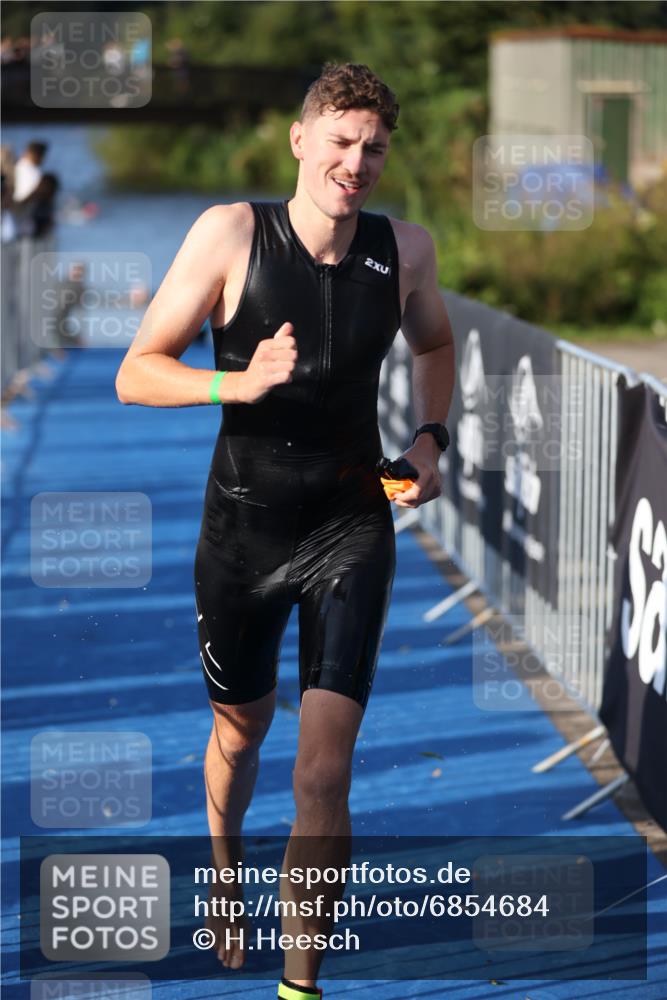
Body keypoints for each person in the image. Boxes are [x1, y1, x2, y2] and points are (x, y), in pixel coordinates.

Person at [115, 62, 455, 999]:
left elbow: (433, 343)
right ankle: (226, 869)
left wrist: (430, 440)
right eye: (340, 142)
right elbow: (137, 371)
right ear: (300, 140)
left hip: (351, 522)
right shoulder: (231, 233)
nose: (356, 162)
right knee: (240, 734)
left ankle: (299, 986)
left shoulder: (406, 249)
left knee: (323, 772)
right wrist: (235, 382)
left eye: (373, 148)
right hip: (244, 533)